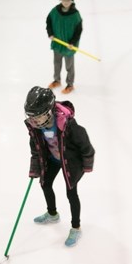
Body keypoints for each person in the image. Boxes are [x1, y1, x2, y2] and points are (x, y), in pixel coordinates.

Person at [24, 86, 95, 247]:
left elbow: (86, 146)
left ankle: (76, 227)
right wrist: (35, 169)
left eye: (38, 117)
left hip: (71, 163)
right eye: (31, 117)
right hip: (53, 160)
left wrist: (86, 165)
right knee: (45, 183)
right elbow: (36, 149)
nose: (34, 121)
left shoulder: (69, 126)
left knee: (71, 193)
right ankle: (52, 213)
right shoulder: (36, 128)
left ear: (49, 112)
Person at [46, 0, 83, 94]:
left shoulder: (75, 15)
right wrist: (50, 33)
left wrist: (72, 42)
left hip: (69, 46)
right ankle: (57, 80)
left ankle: (70, 84)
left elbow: (78, 30)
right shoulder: (54, 11)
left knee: (69, 66)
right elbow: (48, 22)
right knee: (57, 63)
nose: (66, 2)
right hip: (57, 44)